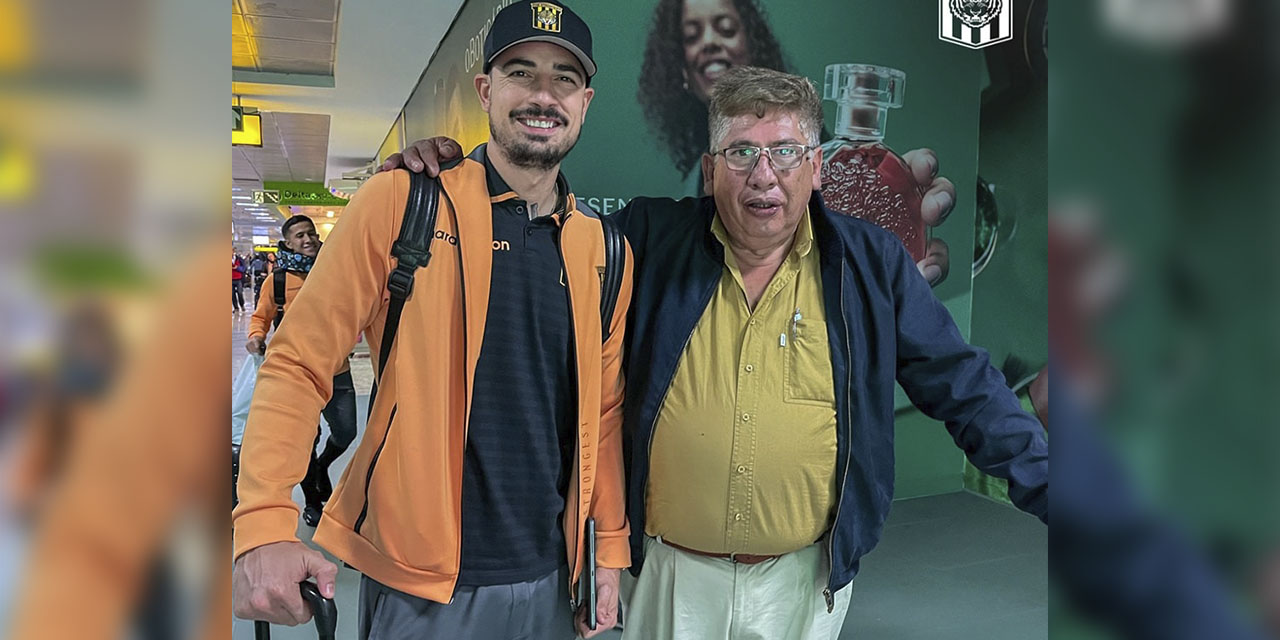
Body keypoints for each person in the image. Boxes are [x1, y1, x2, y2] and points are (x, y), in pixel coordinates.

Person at [389, 66, 1048, 640]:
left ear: (816, 167)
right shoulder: (646, 237)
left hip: (804, 579)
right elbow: (536, 244)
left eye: (786, 152)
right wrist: (458, 182)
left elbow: (965, 385)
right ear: (709, 171)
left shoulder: (869, 263)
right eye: (740, 153)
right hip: (671, 574)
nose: (764, 175)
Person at [231, 2, 631, 639]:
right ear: (485, 90)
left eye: (563, 79)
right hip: (421, 581)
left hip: (553, 575)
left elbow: (603, 411)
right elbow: (300, 362)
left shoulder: (605, 249)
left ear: (585, 101)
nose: (542, 95)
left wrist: (606, 547)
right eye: (521, 73)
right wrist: (262, 523)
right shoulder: (402, 201)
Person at [243, 214, 358, 527]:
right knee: (306, 440)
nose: (307, 240)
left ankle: (322, 467)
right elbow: (260, 317)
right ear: (288, 242)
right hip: (298, 373)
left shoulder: (333, 273)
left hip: (337, 368)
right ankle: (312, 500)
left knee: (347, 431)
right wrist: (255, 337)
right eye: (299, 236)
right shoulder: (277, 281)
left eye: (311, 234)